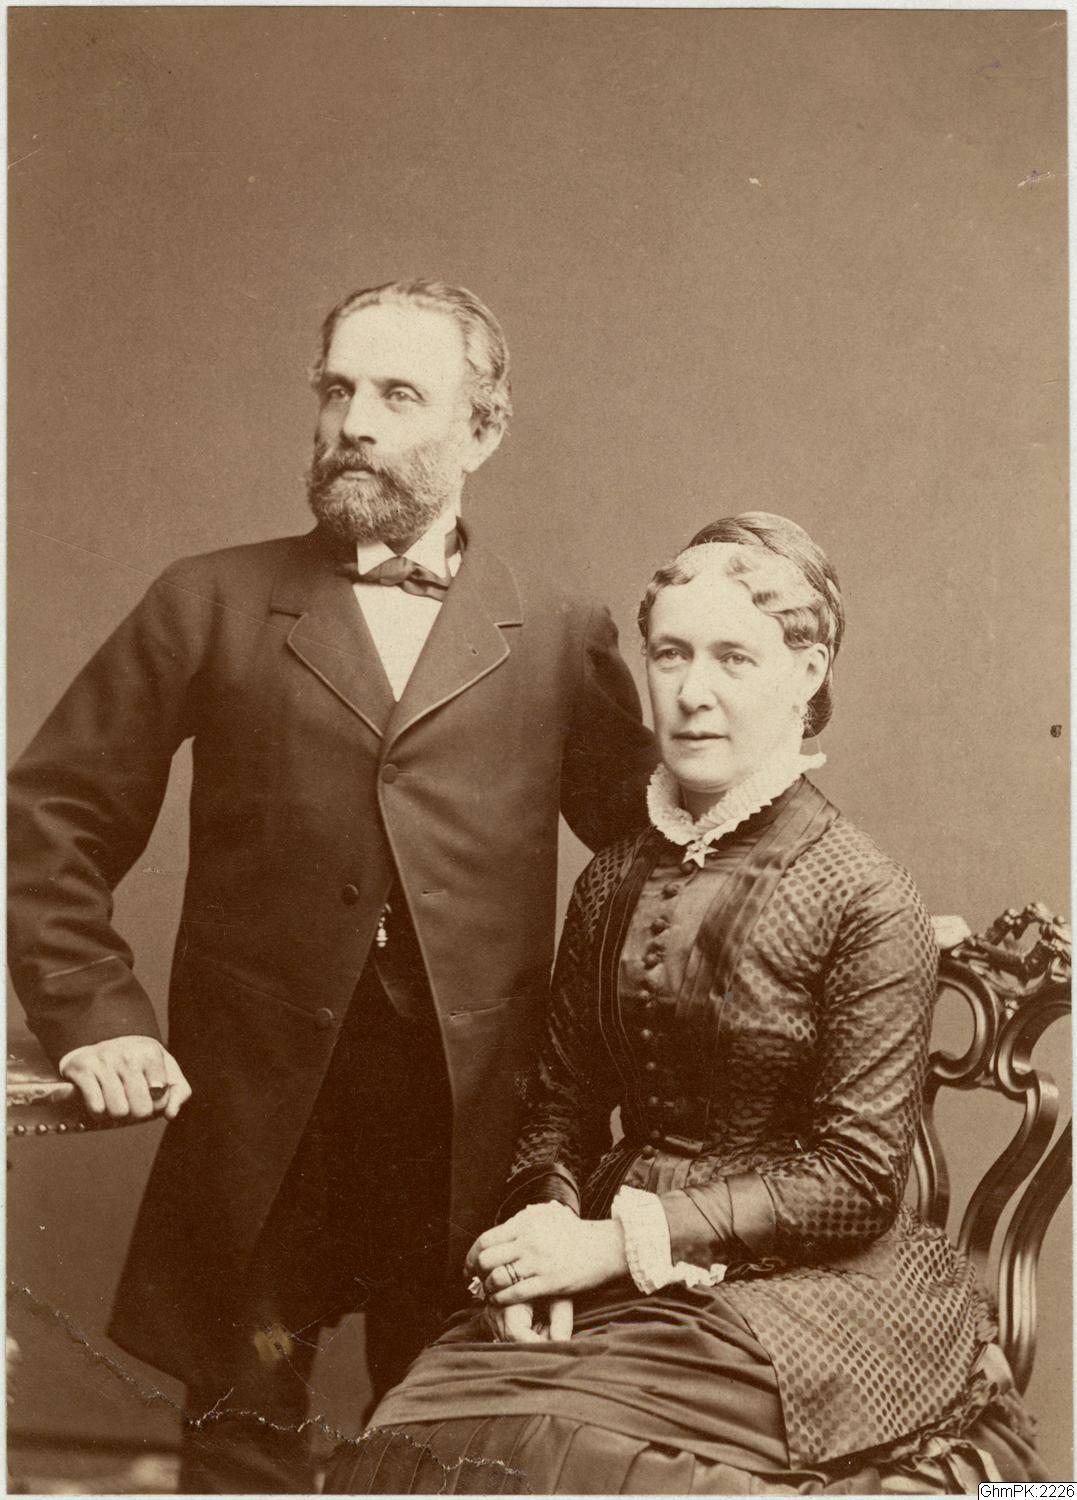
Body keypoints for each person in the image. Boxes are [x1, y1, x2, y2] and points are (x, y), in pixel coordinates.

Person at [6, 279, 656, 1493]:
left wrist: (805, 909)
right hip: (263, 1119)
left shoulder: (561, 628)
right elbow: (50, 818)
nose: (354, 422)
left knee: (456, 1451)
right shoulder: (206, 599)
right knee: (239, 1447)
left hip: (472, 1130)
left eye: (399, 395)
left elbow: (648, 849)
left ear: (481, 431)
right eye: (338, 390)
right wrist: (94, 1012)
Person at [327, 512, 1044, 1496]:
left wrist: (609, 1243)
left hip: (811, 1293)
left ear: (806, 674)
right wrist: (545, 1227)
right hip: (607, 1266)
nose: (692, 692)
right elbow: (562, 1102)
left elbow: (855, 1178)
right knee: (406, 1442)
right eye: (670, 654)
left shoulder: (865, 894)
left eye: (733, 659)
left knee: (570, 1458)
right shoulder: (612, 877)